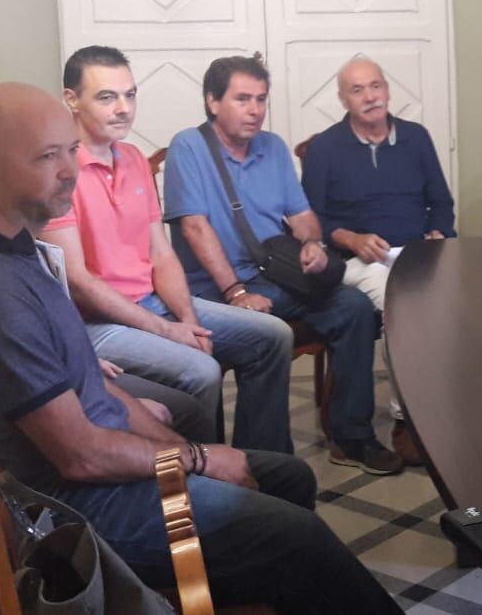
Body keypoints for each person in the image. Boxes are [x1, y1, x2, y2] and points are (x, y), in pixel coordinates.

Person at [0, 83, 400, 612]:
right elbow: (79, 456)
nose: (69, 171)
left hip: (92, 476)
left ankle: (250, 591)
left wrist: (181, 450)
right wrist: (196, 458)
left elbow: (92, 382)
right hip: (71, 517)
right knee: (300, 536)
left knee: (288, 477)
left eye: (70, 150)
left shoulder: (14, 244)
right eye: (46, 156)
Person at [0, 71, 204, 448]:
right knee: (178, 405)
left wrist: (81, 365)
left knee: (181, 406)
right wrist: (89, 386)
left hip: (18, 377)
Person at [42, 46, 295, 454]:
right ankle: (206, 472)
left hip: (151, 302)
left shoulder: (133, 159)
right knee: (202, 369)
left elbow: (161, 253)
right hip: (95, 323)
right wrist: (167, 330)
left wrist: (189, 320)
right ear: (71, 99)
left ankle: (261, 464)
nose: (124, 108)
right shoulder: (56, 171)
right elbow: (79, 281)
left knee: (273, 336)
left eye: (130, 95)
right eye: (107, 97)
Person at [164, 56, 402, 475]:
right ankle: (265, 464)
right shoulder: (189, 146)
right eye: (242, 99)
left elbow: (302, 214)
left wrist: (311, 244)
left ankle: (351, 437)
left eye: (261, 99)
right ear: (213, 102)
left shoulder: (272, 147)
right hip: (213, 289)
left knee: (354, 308)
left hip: (273, 275)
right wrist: (236, 293)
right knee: (266, 334)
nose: (255, 110)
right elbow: (195, 228)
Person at [298, 55, 454, 463]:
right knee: (403, 305)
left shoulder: (416, 138)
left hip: (416, 253)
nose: (370, 97)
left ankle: (448, 408)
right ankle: (409, 421)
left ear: (387, 90)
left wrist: (438, 233)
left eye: (376, 86)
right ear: (343, 100)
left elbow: (441, 202)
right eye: (357, 90)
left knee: (459, 298)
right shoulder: (325, 148)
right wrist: (351, 238)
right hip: (356, 261)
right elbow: (310, 220)